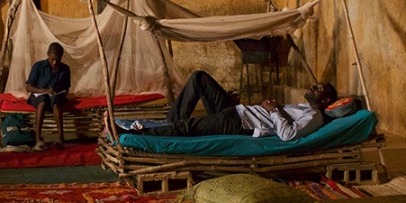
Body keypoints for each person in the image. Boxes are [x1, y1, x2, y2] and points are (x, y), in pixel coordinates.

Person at [123, 70, 337, 141]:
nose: (313, 87)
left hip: (238, 123)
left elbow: (288, 135)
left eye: (318, 88)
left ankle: (137, 135)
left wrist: (274, 110)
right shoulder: (304, 107)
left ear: (326, 100)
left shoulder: (314, 116)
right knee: (199, 78)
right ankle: (170, 123)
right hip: (238, 111)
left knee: (188, 127)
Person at [25, 42, 71, 149]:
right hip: (39, 95)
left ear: (61, 57)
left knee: (56, 101)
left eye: (58, 60)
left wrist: (61, 92)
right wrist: (43, 90)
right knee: (42, 100)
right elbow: (28, 86)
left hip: (55, 96)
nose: (55, 63)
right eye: (52, 59)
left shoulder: (65, 69)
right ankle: (38, 139)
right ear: (48, 55)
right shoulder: (38, 66)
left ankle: (60, 138)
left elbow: (66, 88)